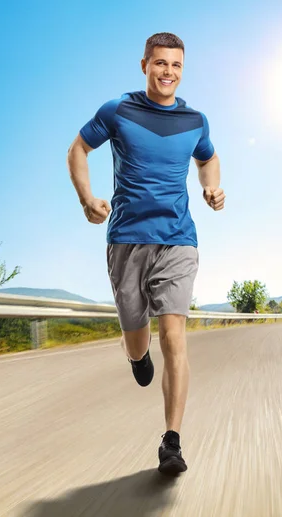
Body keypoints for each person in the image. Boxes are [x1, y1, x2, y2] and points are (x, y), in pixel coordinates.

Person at [67, 32, 225, 475]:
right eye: (160, 63)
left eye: (175, 65)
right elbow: (77, 149)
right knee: (138, 338)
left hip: (178, 238)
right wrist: (87, 198)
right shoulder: (119, 110)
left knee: (174, 334)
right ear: (144, 65)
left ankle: (171, 441)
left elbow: (208, 159)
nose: (167, 72)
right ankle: (137, 355)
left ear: (182, 69)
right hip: (126, 240)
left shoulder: (195, 120)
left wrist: (210, 186)